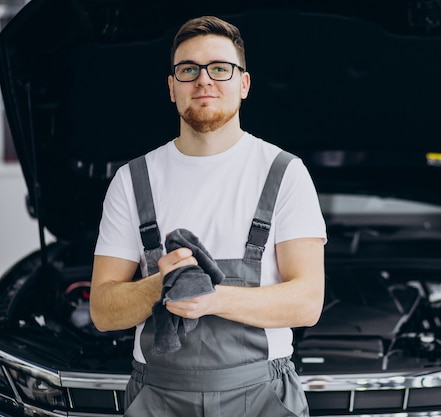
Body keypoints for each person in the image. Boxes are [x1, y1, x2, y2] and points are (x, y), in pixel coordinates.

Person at [89, 15, 326, 417]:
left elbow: (307, 302)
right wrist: (162, 286)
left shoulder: (283, 172)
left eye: (220, 68)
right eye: (188, 70)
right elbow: (102, 311)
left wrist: (208, 296)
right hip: (156, 398)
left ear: (244, 84)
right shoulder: (132, 180)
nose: (204, 80)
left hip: (262, 396)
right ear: (171, 87)